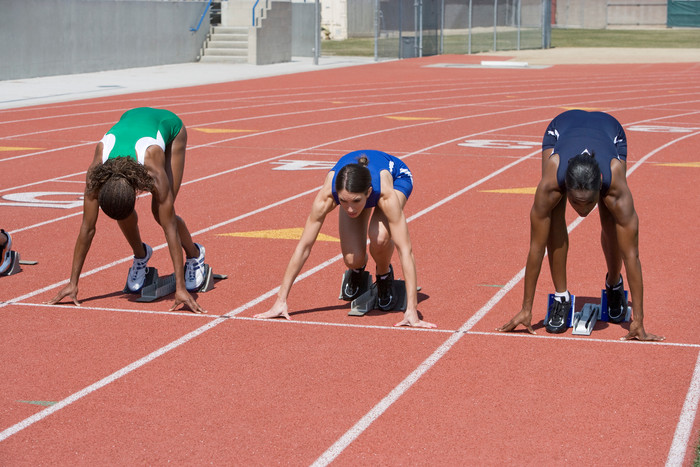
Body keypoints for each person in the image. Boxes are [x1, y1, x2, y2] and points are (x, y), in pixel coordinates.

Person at [497, 109, 663, 341]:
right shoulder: (551, 184)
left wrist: (639, 321)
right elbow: (536, 247)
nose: (582, 211)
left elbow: (632, 255)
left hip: (610, 131)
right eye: (575, 201)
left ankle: (614, 284)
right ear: (566, 187)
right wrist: (526, 308)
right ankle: (561, 297)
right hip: (560, 129)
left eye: (589, 202)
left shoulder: (615, 184)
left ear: (600, 188)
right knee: (553, 217)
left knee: (611, 220)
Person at [46, 107, 206, 313]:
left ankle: (195, 254)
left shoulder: (152, 165)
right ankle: (141, 255)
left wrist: (181, 288)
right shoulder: (96, 172)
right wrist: (72, 282)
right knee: (122, 210)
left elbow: (170, 228)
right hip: (129, 117)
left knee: (161, 213)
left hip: (170, 127)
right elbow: (87, 228)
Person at [254, 149, 435, 328]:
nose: (349, 209)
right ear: (337, 194)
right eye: (343, 201)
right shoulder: (327, 196)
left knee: (379, 237)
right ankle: (357, 270)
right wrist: (280, 300)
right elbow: (304, 247)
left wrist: (412, 310)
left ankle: (383, 274)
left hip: (397, 179)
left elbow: (405, 250)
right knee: (352, 259)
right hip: (358, 187)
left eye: (355, 202)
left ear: (369, 192)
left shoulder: (385, 194)